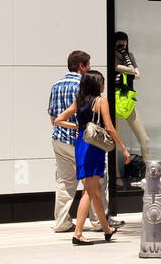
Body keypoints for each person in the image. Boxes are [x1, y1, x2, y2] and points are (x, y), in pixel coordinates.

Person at [51, 70, 130, 244]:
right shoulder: (101, 101)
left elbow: (57, 120)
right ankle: (78, 234)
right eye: (102, 82)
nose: (104, 85)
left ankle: (107, 229)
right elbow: (109, 127)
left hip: (81, 143)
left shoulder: (79, 101)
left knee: (95, 191)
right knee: (89, 190)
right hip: (94, 147)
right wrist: (123, 148)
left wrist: (76, 126)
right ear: (96, 84)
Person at [48, 50, 104, 233]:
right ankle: (98, 221)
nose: (89, 68)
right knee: (95, 181)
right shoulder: (83, 85)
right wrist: (76, 129)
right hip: (81, 140)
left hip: (59, 139)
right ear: (81, 66)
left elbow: (53, 116)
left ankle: (62, 222)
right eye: (88, 65)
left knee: (64, 182)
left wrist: (63, 128)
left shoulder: (56, 85)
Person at [113, 31, 151, 166]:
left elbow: (138, 75)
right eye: (119, 42)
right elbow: (117, 67)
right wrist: (131, 69)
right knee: (112, 140)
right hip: (113, 101)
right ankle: (113, 176)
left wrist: (126, 58)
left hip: (128, 101)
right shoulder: (111, 57)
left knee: (144, 139)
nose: (122, 44)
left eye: (124, 41)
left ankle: (150, 172)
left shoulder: (129, 56)